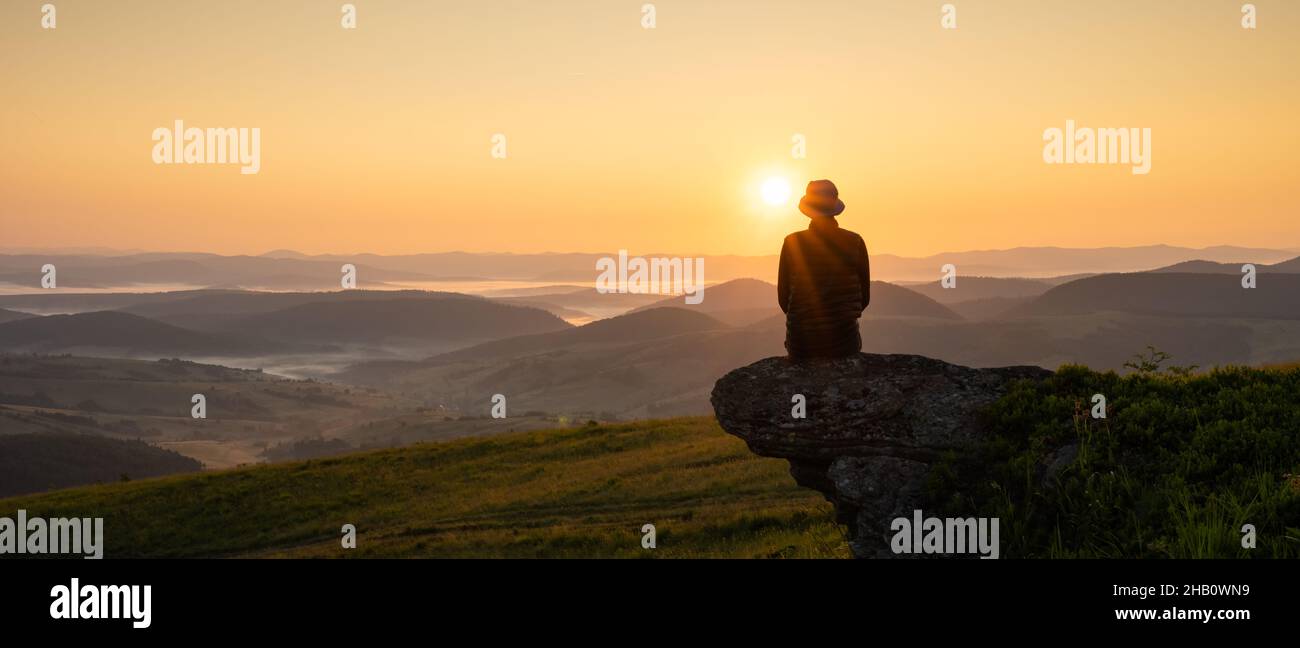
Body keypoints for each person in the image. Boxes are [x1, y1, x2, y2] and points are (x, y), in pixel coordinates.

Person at [777, 180, 871, 359]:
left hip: (801, 346)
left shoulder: (792, 243)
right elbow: (864, 299)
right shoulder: (854, 242)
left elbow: (783, 299)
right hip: (844, 344)